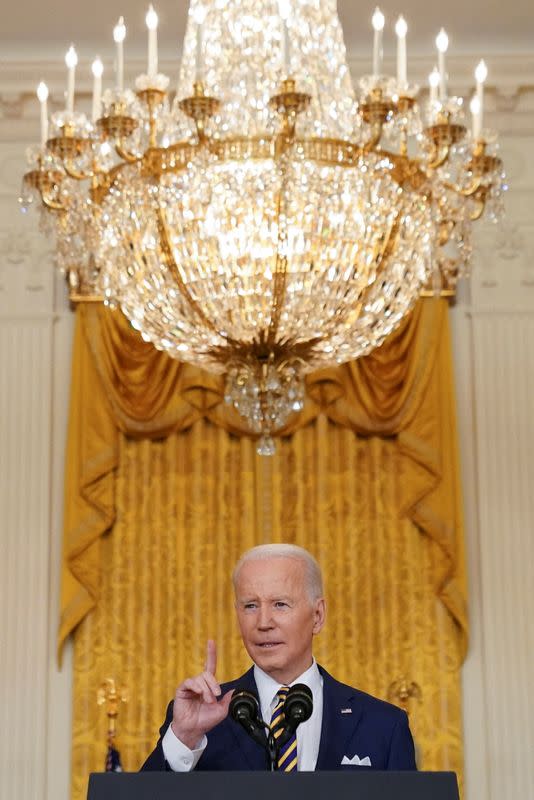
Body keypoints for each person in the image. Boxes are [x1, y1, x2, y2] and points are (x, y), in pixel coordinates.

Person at [142, 543, 416, 771]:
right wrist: (184, 738)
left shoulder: (383, 724)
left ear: (317, 616)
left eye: (280, 604)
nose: (263, 622)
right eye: (250, 606)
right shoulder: (200, 719)